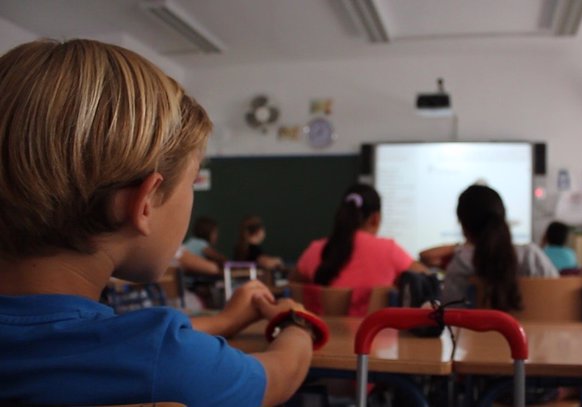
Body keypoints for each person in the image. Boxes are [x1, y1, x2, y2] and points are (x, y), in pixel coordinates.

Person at [0, 39, 313, 406]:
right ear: (144, 202)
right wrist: (296, 324)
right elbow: (281, 375)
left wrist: (225, 321)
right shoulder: (164, 358)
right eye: (193, 183)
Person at [294, 184, 426, 296]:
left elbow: (293, 287)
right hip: (374, 327)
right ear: (375, 218)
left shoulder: (314, 250)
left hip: (322, 326)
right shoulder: (389, 250)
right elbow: (426, 280)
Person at [441, 185, 558, 310]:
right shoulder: (533, 257)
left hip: (472, 331)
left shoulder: (460, 266)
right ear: (503, 219)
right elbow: (559, 303)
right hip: (538, 330)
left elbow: (451, 320)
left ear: (463, 227)